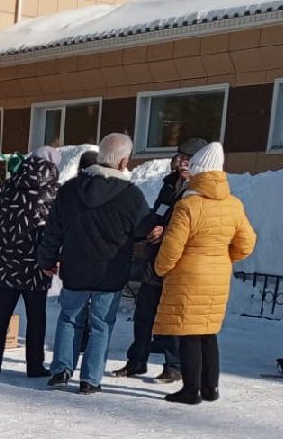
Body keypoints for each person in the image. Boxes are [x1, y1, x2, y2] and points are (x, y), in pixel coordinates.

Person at [36, 133, 150, 395]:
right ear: (123, 161)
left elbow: (53, 230)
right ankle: (90, 379)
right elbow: (143, 229)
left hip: (75, 267)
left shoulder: (71, 189)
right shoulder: (131, 196)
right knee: (100, 325)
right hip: (110, 271)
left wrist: (47, 260)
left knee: (68, 319)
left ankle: (61, 370)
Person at [152, 142, 256, 405]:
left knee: (188, 333)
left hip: (188, 276)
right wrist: (223, 258)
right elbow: (246, 243)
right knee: (208, 332)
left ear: (198, 171)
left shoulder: (188, 205)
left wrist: (161, 268)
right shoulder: (234, 204)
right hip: (218, 274)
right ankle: (211, 388)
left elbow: (172, 246)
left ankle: (191, 390)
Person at [109, 136, 207, 383]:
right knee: (144, 311)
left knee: (172, 315)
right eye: (181, 158)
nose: (182, 163)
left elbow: (196, 225)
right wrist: (148, 227)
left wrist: (166, 230)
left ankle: (173, 365)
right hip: (156, 258)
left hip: (180, 262)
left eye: (188, 160)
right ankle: (136, 362)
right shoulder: (170, 184)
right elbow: (158, 212)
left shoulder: (202, 190)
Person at [0, 145, 60, 377]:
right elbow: (57, 227)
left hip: (6, 262)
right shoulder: (54, 191)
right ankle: (35, 365)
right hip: (36, 264)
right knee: (36, 318)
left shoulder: (10, 185)